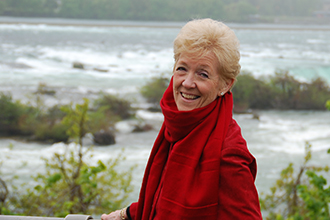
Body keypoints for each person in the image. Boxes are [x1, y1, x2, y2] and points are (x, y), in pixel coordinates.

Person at [101, 18, 262, 220]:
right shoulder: (178, 125)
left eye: (202, 74)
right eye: (182, 68)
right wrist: (129, 213)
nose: (187, 82)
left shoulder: (228, 154)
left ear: (224, 85)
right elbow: (166, 194)